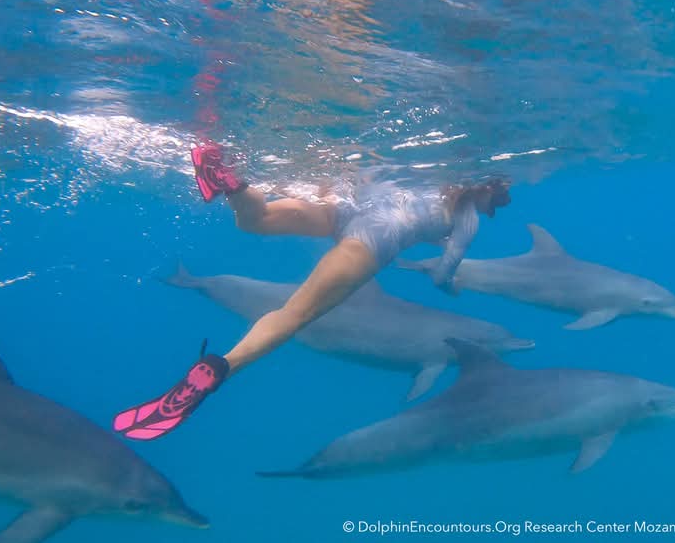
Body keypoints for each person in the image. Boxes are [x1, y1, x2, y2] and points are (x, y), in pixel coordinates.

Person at [112, 142, 511, 440]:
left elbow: (367, 181)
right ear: (486, 192)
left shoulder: (422, 171)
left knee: (257, 219)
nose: (497, 207)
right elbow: (443, 275)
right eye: (500, 200)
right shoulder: (467, 220)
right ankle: (220, 368)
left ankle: (231, 183)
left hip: (341, 209)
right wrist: (450, 287)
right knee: (294, 315)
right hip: (371, 242)